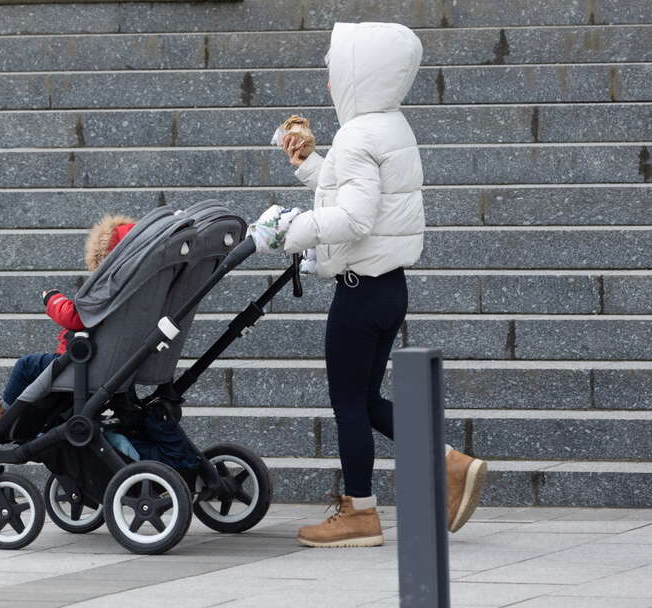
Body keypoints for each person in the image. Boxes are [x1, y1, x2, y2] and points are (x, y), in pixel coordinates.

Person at [248, 22, 487, 548]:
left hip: (359, 293)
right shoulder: (389, 126)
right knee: (365, 397)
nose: (331, 84)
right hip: (389, 288)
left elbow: (353, 218)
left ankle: (359, 513)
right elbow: (358, 193)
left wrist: (287, 231)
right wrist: (308, 165)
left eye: (336, 72)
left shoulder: (359, 135)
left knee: (349, 405)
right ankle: (450, 463)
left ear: (361, 74)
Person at [0, 215, 136, 430]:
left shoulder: (110, 285)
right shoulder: (134, 286)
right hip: (112, 362)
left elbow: (75, 317)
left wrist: (52, 298)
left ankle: (0, 413)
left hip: (86, 363)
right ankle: (21, 419)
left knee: (26, 366)